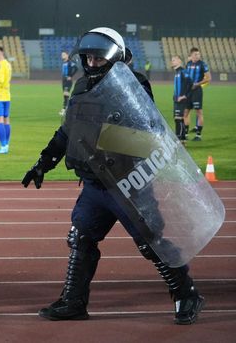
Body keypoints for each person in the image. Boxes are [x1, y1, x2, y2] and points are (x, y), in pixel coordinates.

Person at [22, 27, 204, 325]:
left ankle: (187, 293)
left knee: (150, 242)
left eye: (98, 58)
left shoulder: (135, 86)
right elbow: (69, 130)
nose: (92, 63)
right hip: (94, 183)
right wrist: (44, 161)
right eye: (88, 58)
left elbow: (148, 132)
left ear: (116, 58)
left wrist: (105, 136)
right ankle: (74, 301)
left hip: (128, 182)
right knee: (80, 238)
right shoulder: (81, 88)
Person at [184, 47, 211, 141]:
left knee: (199, 112)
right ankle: (185, 134)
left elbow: (208, 78)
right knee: (186, 112)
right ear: (191, 56)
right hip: (188, 91)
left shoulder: (202, 64)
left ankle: (198, 135)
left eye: (198, 54)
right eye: (195, 54)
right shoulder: (188, 64)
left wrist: (197, 84)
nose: (197, 56)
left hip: (197, 91)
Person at [171, 55, 193, 143]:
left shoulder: (183, 71)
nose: (172, 61)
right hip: (176, 99)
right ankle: (182, 138)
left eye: (174, 60)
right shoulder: (177, 72)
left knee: (178, 118)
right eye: (172, 60)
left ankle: (179, 138)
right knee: (178, 118)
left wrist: (184, 96)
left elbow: (191, 84)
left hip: (181, 99)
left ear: (179, 61)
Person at [59, 50, 78, 116]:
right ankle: (68, 108)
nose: (62, 56)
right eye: (62, 55)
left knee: (66, 94)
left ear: (67, 55)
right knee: (65, 95)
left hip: (68, 80)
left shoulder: (70, 62)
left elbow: (76, 68)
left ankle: (65, 109)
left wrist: (70, 76)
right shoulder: (64, 62)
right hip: (64, 80)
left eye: (64, 55)